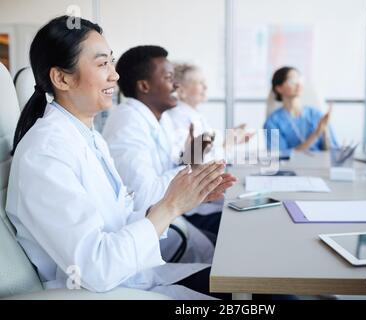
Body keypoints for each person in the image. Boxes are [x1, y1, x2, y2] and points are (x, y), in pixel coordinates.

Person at [6, 16, 229, 299]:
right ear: (62, 78)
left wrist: (187, 195)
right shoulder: (44, 153)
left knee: (250, 278)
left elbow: (120, 217)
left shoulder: (88, 136)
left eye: (112, 62)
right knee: (257, 291)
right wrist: (171, 206)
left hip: (138, 275)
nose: (115, 75)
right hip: (110, 290)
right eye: (102, 64)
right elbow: (96, 267)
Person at [102, 47, 236, 240]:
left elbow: (166, 170)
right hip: (156, 234)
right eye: (168, 78)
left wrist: (189, 160)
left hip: (175, 220)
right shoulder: (127, 123)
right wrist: (192, 167)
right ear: (144, 86)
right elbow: (144, 197)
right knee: (230, 240)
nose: (176, 86)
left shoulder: (158, 118)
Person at [168, 63, 254, 161]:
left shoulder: (195, 115)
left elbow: (210, 152)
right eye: (199, 83)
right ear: (181, 90)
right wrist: (228, 144)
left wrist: (232, 140)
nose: (205, 87)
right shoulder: (177, 118)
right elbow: (194, 161)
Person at [264, 66, 338, 153]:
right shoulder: (272, 122)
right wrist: (316, 134)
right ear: (279, 88)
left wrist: (324, 131)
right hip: (291, 167)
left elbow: (333, 152)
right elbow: (280, 156)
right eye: (292, 81)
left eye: (300, 80)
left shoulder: (316, 115)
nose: (298, 84)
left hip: (320, 164)